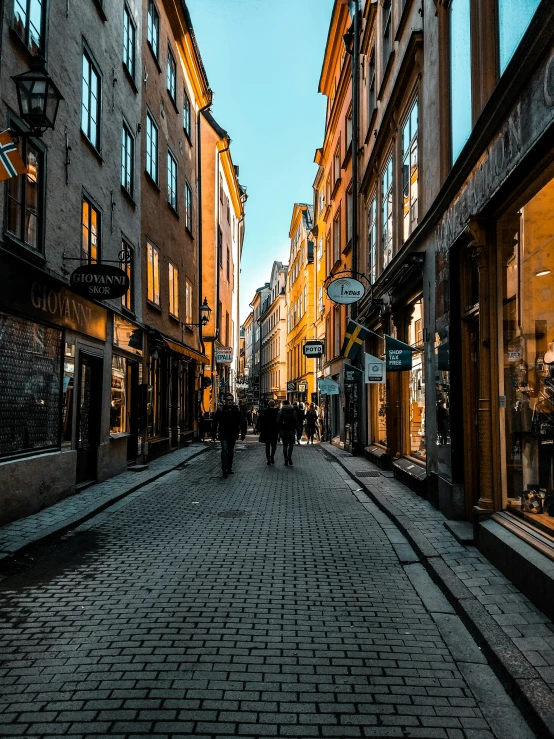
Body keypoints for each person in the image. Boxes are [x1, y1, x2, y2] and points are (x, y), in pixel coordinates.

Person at [212, 393, 247, 477]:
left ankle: (229, 468)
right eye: (228, 400)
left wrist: (243, 433)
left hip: (233, 434)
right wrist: (213, 433)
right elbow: (215, 422)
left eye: (231, 400)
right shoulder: (221, 410)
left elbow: (242, 422)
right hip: (223, 433)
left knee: (230, 451)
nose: (230, 401)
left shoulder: (236, 410)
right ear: (225, 401)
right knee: (224, 450)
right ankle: (224, 469)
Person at [277, 400, 300, 466]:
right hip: (291, 430)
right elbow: (297, 423)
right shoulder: (293, 412)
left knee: (284, 445)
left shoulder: (280, 411)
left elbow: (277, 421)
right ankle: (289, 456)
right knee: (291, 444)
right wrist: (298, 433)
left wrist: (278, 432)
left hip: (283, 430)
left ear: (283, 404)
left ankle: (285, 459)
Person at [258, 400, 279, 465]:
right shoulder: (276, 412)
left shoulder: (264, 411)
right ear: (274, 405)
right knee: (274, 445)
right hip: (274, 431)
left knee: (267, 446)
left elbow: (260, 420)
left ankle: (268, 459)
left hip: (266, 431)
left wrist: (259, 428)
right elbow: (278, 422)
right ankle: (272, 456)